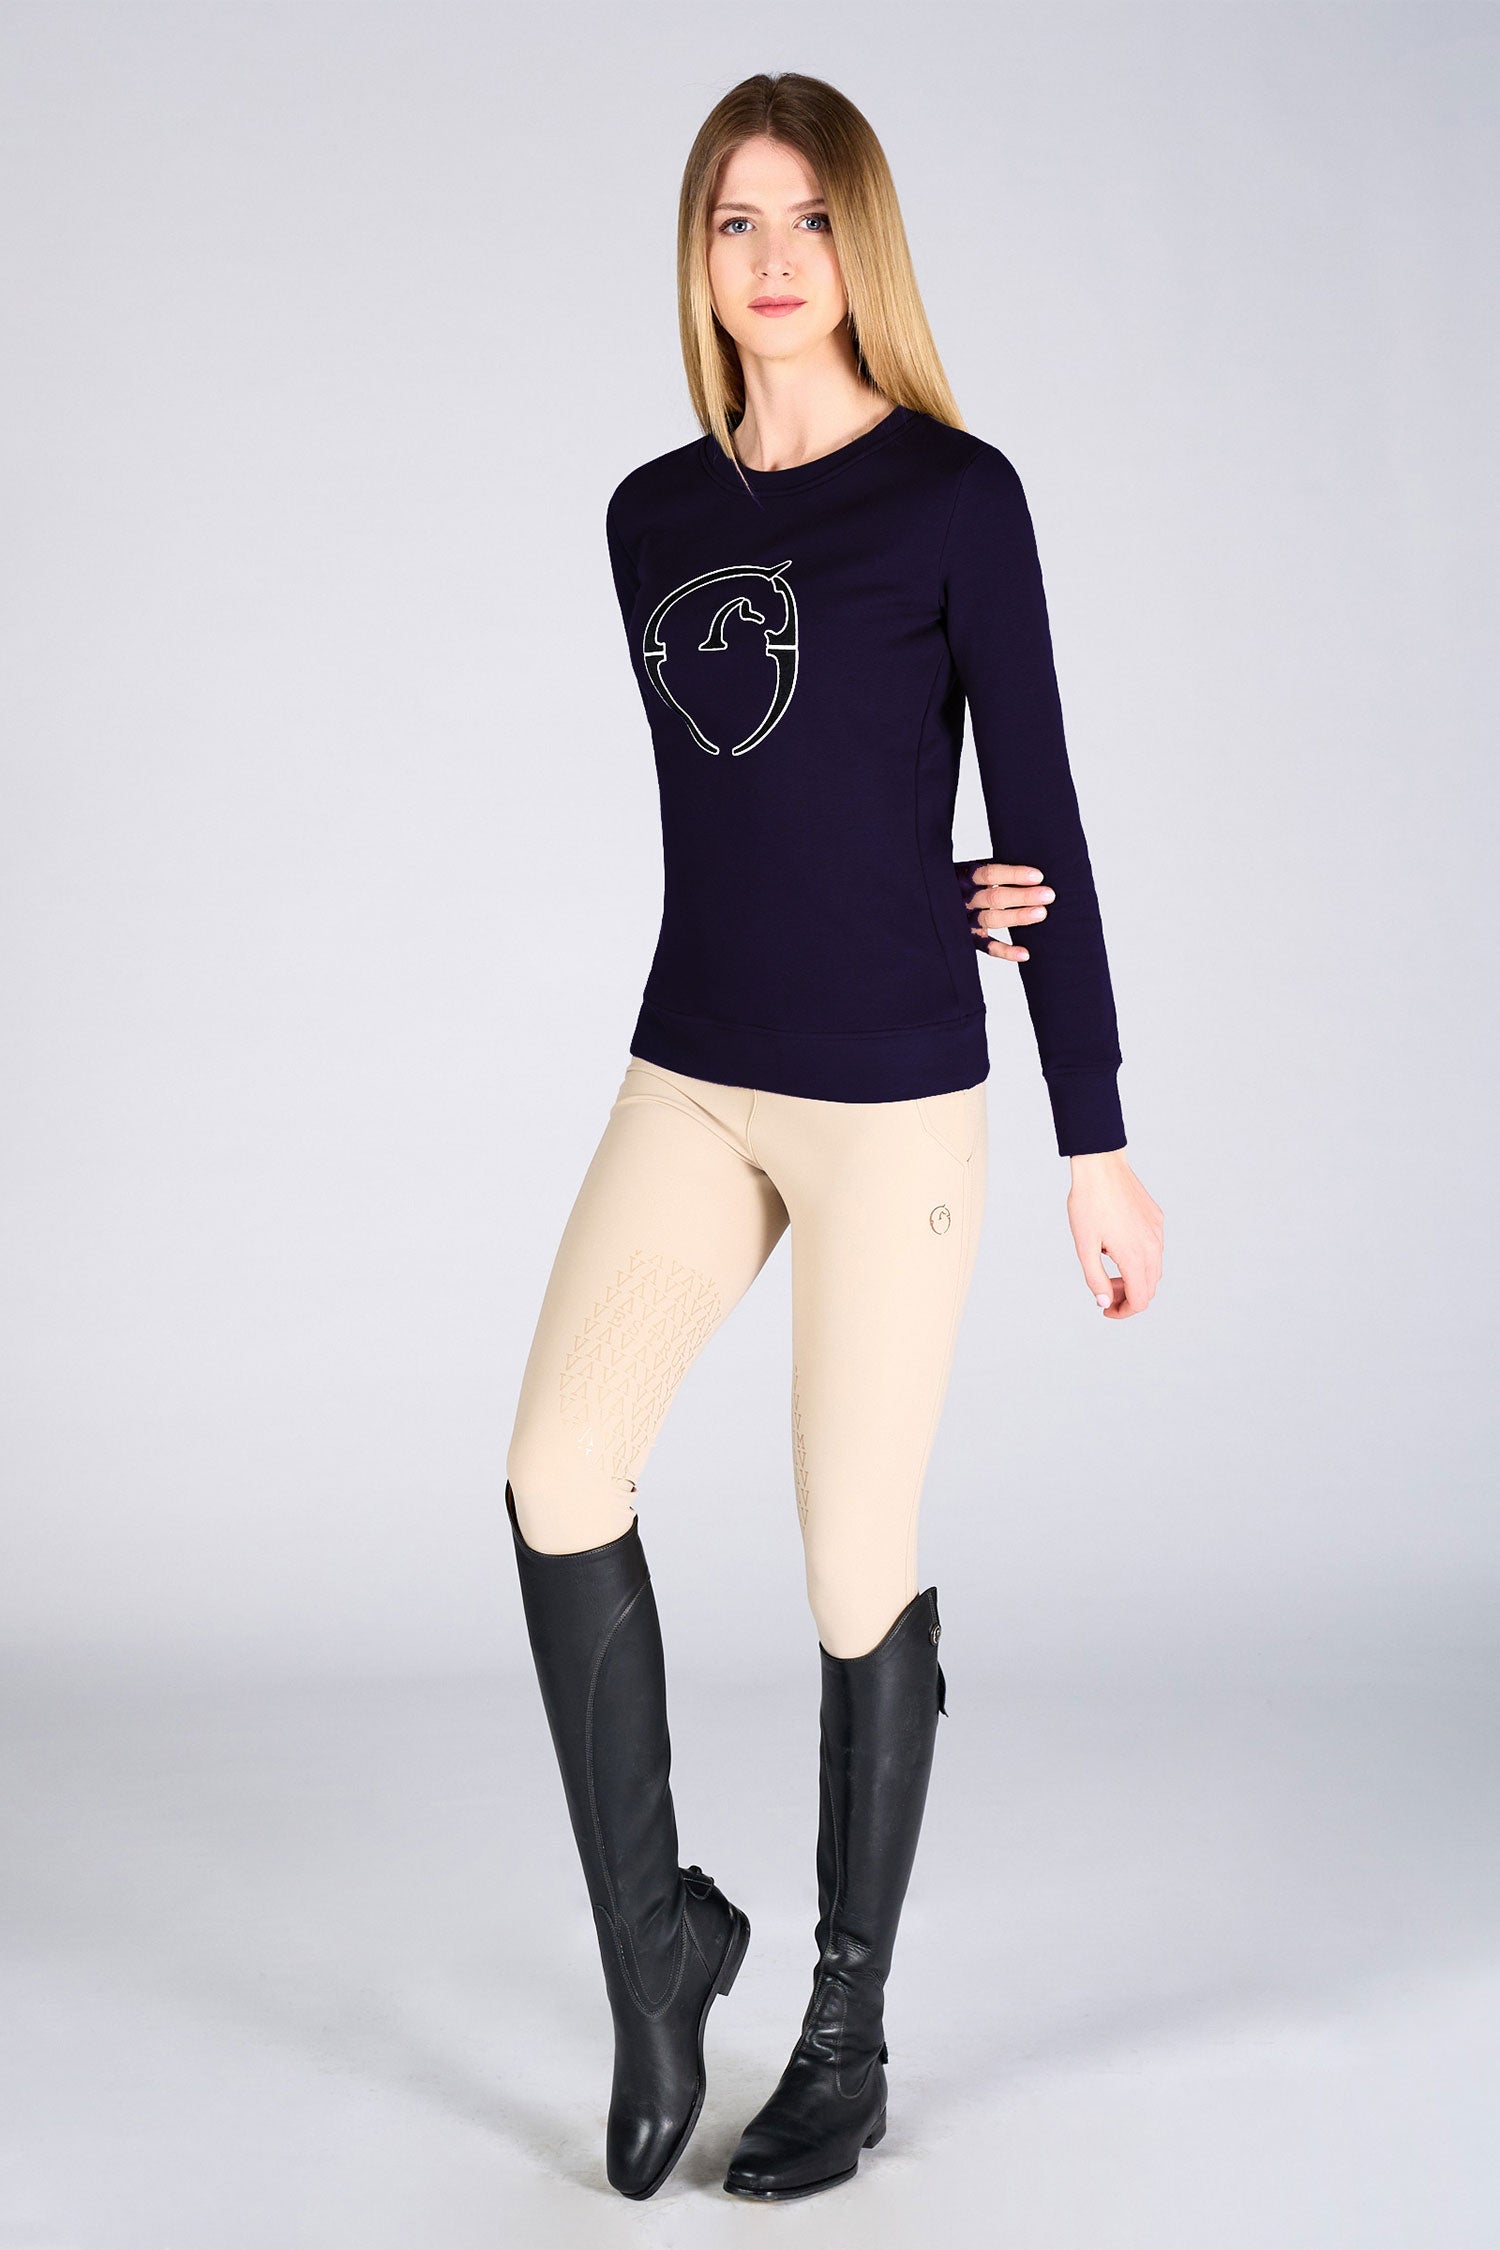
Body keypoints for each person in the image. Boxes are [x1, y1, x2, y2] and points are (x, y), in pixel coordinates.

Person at [503, 69, 1164, 2203]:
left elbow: (1037, 818)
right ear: (698, 258)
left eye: (807, 220)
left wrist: (1095, 1137)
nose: (772, 258)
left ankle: (846, 2034)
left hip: (893, 1100)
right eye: (735, 222)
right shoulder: (647, 517)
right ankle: (659, 1966)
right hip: (696, 1071)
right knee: (555, 1470)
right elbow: (769, 801)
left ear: (859, 244)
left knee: (852, 1553)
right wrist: (895, 871)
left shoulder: (959, 499)